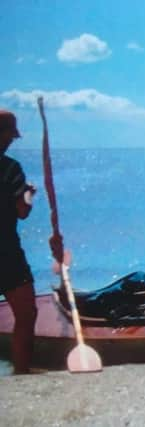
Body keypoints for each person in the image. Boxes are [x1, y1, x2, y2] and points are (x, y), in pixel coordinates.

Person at [0, 110, 38, 374]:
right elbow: (22, 211)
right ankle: (21, 373)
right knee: (26, 315)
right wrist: (29, 195)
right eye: (10, 136)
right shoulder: (10, 168)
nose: (12, 141)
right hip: (6, 252)